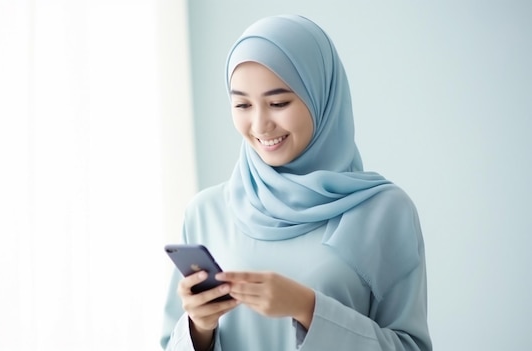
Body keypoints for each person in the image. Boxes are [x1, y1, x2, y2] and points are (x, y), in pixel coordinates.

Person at [160, 14, 432, 351]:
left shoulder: (385, 211)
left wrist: (308, 308)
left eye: (278, 103)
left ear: (321, 96)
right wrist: (199, 327)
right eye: (242, 104)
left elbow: (410, 346)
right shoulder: (206, 211)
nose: (260, 125)